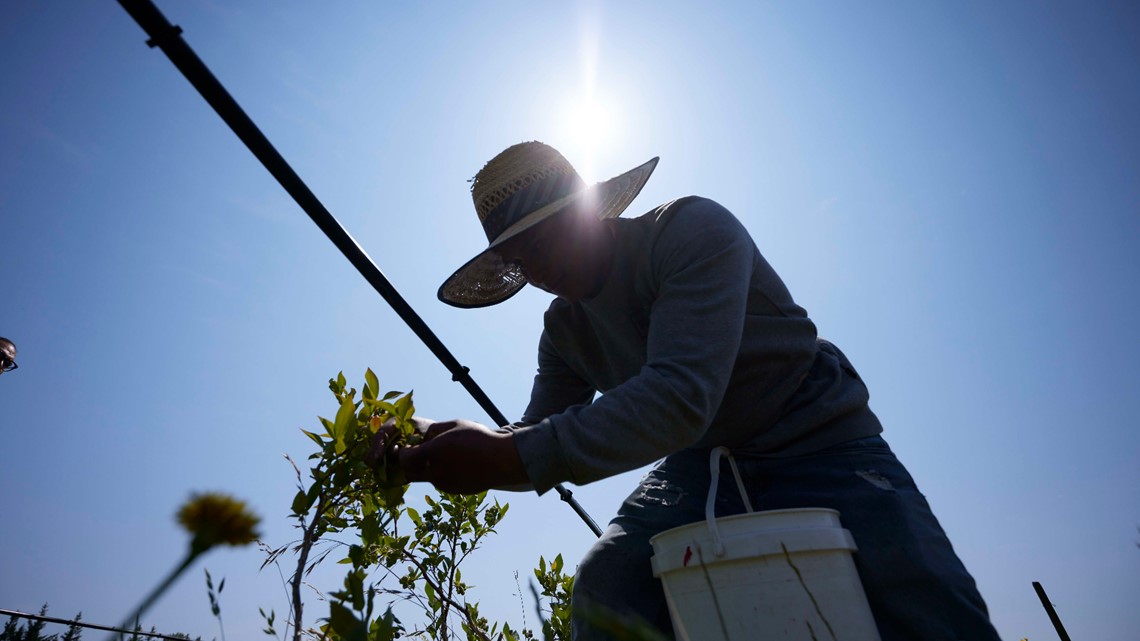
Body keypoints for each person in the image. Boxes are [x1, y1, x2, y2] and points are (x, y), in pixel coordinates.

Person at [380, 142, 1000, 640]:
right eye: (522, 257)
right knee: (609, 591)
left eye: (547, 236)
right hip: (698, 465)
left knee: (929, 608)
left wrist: (503, 456)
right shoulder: (564, 328)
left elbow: (679, 395)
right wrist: (431, 441)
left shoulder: (690, 230)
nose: (540, 269)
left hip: (819, 436)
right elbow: (533, 432)